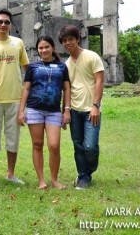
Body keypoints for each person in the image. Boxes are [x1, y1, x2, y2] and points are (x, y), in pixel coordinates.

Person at [0, 8, 29, 187]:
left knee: (13, 139)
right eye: (0, 21)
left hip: (15, 99)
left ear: (11, 25)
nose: (3, 25)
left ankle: (11, 174)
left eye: (6, 22)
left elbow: (27, 70)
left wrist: (27, 96)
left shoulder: (18, 43)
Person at [17, 36, 71, 190]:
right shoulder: (33, 67)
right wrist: (21, 111)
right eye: (40, 48)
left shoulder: (62, 67)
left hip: (54, 111)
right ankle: (41, 180)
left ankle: (54, 179)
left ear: (53, 48)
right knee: (37, 144)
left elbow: (67, 88)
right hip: (34, 109)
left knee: (54, 145)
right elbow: (26, 88)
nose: (44, 50)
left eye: (46, 47)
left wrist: (66, 110)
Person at [58, 25, 104, 190]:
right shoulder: (67, 64)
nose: (68, 43)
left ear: (78, 39)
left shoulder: (91, 56)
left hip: (91, 109)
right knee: (78, 145)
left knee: (90, 147)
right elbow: (67, 89)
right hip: (75, 110)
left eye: (71, 39)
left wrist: (96, 106)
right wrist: (66, 110)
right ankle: (84, 177)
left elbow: (99, 81)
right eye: (64, 41)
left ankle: (89, 170)